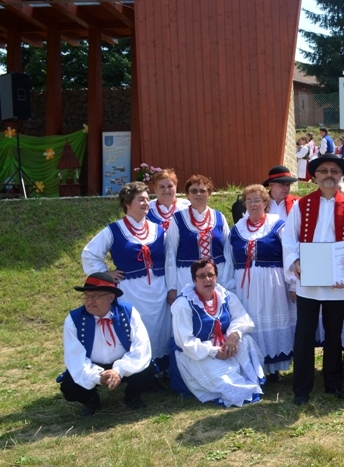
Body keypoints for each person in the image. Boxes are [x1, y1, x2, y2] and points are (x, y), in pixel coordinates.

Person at [283, 153, 344, 405]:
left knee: (334, 333)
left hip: (337, 282)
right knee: (304, 333)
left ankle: (333, 383)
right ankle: (301, 388)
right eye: (323, 171)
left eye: (334, 171)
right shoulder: (301, 205)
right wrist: (295, 262)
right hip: (308, 280)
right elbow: (289, 238)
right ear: (315, 176)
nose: (329, 175)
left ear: (341, 176)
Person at [82, 181, 172, 372]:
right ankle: (138, 371)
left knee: (160, 328)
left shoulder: (158, 230)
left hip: (159, 290)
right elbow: (89, 254)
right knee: (137, 328)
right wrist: (106, 274)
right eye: (141, 199)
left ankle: (160, 370)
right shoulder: (114, 230)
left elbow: (170, 259)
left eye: (147, 199)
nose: (146, 203)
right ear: (128, 203)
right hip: (131, 291)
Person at [170, 258, 265, 407]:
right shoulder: (183, 304)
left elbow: (241, 317)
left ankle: (251, 379)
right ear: (194, 280)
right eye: (202, 276)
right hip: (197, 353)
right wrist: (213, 351)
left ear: (216, 276)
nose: (207, 279)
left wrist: (234, 335)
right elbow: (185, 341)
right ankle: (238, 386)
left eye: (211, 275)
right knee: (228, 383)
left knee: (246, 340)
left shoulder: (223, 295)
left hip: (222, 346)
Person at [60, 272, 155, 415]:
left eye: (96, 296)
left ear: (111, 297)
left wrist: (119, 370)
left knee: (147, 369)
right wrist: (97, 376)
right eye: (86, 296)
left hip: (123, 361)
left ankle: (132, 396)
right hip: (91, 364)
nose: (90, 301)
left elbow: (141, 347)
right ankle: (91, 400)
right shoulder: (73, 320)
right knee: (69, 385)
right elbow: (75, 357)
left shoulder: (128, 313)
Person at [229, 184, 296, 381]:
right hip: (245, 286)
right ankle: (254, 366)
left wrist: (293, 283)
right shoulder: (237, 229)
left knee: (271, 319)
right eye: (248, 201)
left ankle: (274, 369)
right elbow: (230, 258)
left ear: (265, 203)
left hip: (272, 284)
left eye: (257, 200)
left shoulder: (277, 224)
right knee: (251, 322)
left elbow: (290, 255)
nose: (253, 204)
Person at [166, 174, 234, 294]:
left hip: (216, 276)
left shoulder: (219, 217)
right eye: (194, 191)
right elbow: (171, 253)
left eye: (203, 191)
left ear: (209, 194)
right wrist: (172, 286)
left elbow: (228, 251)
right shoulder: (178, 219)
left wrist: (228, 278)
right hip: (187, 277)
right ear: (187, 194)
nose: (198, 194)